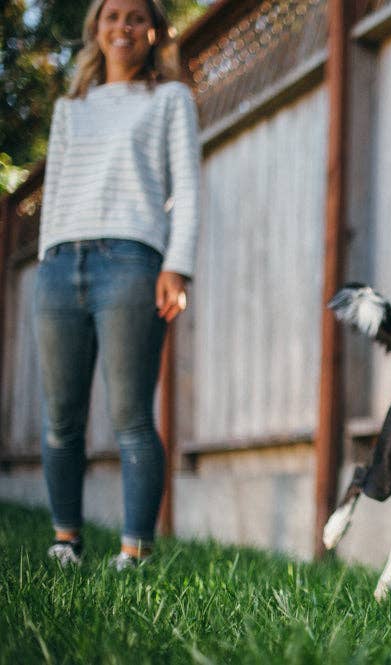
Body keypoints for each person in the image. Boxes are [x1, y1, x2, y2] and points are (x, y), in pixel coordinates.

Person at [35, 0, 200, 570]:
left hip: (131, 262)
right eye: (112, 16)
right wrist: (44, 262)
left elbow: (189, 188)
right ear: (96, 29)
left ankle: (135, 549)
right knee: (61, 417)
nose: (122, 26)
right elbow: (53, 192)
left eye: (135, 16)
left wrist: (176, 266)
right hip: (58, 264)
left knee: (131, 414)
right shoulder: (70, 108)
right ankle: (65, 541)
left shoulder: (170, 98)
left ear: (153, 30)